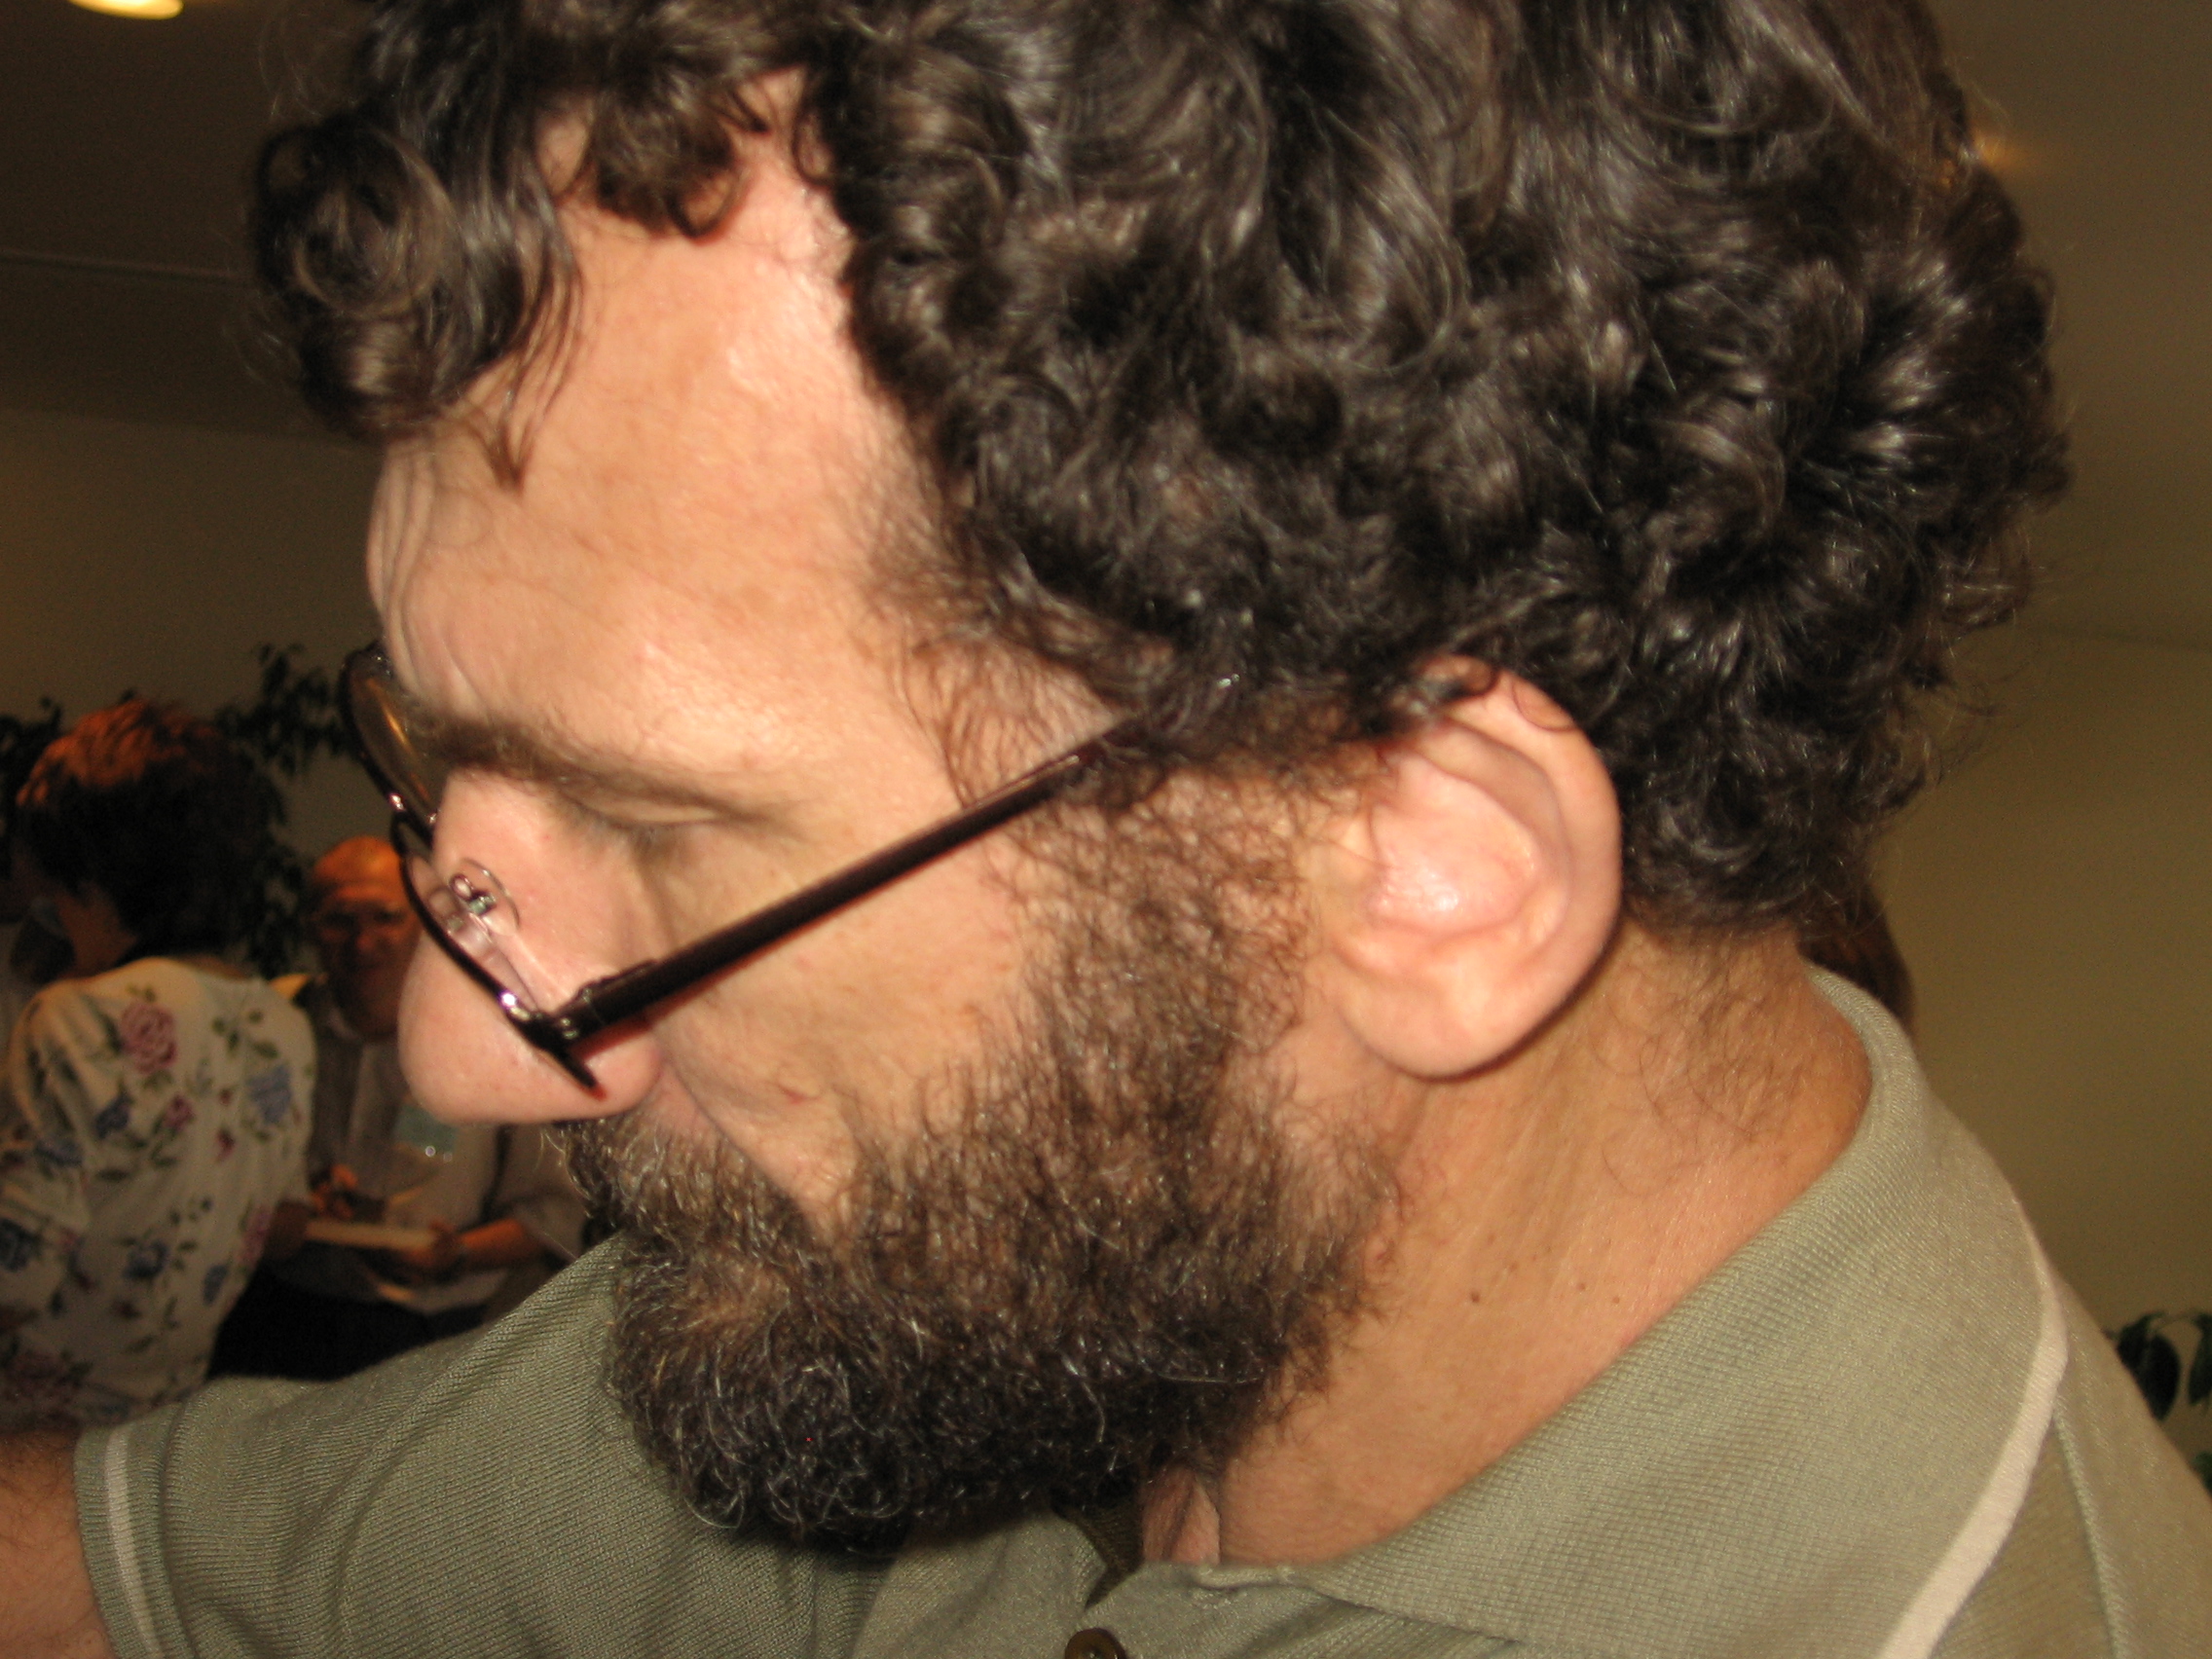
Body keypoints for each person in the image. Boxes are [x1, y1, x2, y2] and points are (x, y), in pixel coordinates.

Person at [7, 0, 2209, 1653]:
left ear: (1425, 867)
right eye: (458, 770)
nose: (462, 1047)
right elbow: (131, 1566)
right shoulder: (994, 1234)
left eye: (657, 828)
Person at [0, 701, 314, 1431]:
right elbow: (282, 1227)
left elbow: (15, 1279)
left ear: (86, 871)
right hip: (155, 1435)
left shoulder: (81, 1016)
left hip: (29, 1435)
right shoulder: (283, 1026)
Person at [211, 837, 586, 1379]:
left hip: (425, 1337)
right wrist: (297, 1199)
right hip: (279, 1318)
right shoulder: (276, 1028)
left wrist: (456, 1254)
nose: (363, 943)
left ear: (426, 924)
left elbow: (552, 1214)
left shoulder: (491, 1045)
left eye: (386, 917)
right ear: (310, 928)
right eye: (339, 920)